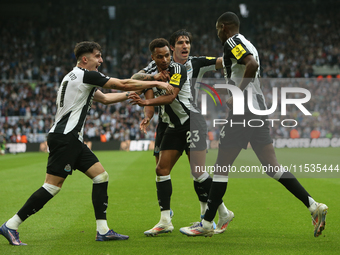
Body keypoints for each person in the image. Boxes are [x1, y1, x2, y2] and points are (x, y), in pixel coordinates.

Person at [0, 41, 172, 246]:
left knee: (101, 176)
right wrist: (156, 83)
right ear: (85, 59)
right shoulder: (86, 75)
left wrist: (131, 94)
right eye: (97, 56)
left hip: (71, 138)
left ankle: (103, 230)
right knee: (52, 187)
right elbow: (123, 83)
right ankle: (11, 224)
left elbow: (107, 99)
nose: (100, 60)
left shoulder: (73, 77)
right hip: (66, 138)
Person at [179, 12, 328, 237]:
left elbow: (252, 64)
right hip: (258, 109)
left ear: (224, 27)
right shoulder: (248, 42)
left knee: (221, 168)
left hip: (243, 110)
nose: (217, 33)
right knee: (272, 167)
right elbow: (251, 63)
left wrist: (235, 93)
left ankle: (207, 224)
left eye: (217, 29)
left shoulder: (232, 41)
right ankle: (313, 205)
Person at [133, 30, 234, 236]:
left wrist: (146, 101)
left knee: (197, 172)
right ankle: (165, 221)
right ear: (154, 56)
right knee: (161, 170)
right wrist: (151, 83)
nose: (164, 59)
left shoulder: (179, 68)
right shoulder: (153, 70)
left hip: (192, 122)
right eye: (159, 56)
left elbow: (170, 96)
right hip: (171, 126)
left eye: (166, 56)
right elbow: (135, 79)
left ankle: (220, 211)